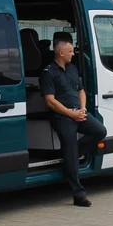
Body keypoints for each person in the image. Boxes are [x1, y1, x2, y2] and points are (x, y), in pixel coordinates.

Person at [40, 37, 107, 207]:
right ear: (61, 53)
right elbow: (50, 101)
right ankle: (78, 194)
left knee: (100, 131)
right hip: (62, 116)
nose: (73, 53)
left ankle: (73, 155)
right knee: (69, 145)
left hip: (78, 112)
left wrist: (82, 109)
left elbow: (81, 91)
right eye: (70, 51)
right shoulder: (48, 73)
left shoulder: (72, 68)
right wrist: (71, 114)